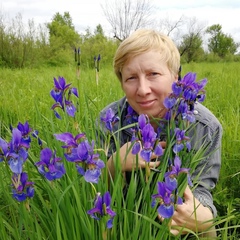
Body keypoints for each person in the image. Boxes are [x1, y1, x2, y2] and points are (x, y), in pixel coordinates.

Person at [97, 29, 222, 237]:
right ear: (121, 82)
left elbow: (202, 188)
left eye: (153, 74)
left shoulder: (204, 126)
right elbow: (96, 189)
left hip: (179, 221)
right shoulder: (110, 120)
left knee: (207, 224)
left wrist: (204, 217)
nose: (143, 89)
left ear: (175, 77)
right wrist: (115, 163)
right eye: (131, 78)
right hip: (127, 220)